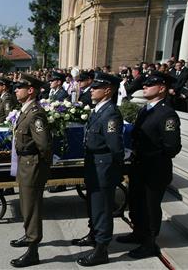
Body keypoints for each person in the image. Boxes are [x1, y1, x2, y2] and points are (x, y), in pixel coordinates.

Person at [117, 72, 182, 259]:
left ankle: (150, 242)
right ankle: (138, 233)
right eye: (144, 84)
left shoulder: (167, 114)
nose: (144, 87)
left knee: (150, 207)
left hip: (155, 169)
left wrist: (150, 155)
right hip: (139, 167)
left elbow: (172, 147)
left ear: (161, 88)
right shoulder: (146, 110)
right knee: (137, 203)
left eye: (149, 84)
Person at [75, 73, 125, 267]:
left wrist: (113, 170)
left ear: (108, 90)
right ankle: (94, 236)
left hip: (103, 166)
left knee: (102, 208)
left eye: (96, 87)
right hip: (93, 164)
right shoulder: (98, 110)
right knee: (94, 206)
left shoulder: (110, 113)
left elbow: (115, 147)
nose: (92, 90)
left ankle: (101, 249)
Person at [9, 73, 52, 268]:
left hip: (32, 166)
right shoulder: (26, 111)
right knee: (27, 206)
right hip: (26, 164)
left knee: (32, 208)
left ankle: (33, 251)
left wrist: (39, 167)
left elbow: (44, 145)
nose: (16, 89)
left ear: (31, 90)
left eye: (19, 86)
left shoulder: (35, 113)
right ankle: (28, 236)